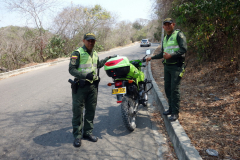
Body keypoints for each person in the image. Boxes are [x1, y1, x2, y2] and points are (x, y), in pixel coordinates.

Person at [69, 32, 111, 147]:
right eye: (88, 40)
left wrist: (107, 59)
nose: (90, 42)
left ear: (95, 42)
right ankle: (77, 136)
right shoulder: (77, 53)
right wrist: (85, 76)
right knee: (78, 112)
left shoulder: (95, 53)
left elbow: (96, 65)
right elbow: (72, 69)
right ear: (83, 41)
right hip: (80, 87)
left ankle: (87, 133)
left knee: (90, 111)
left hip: (92, 87)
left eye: (92, 41)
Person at [146, 18, 187, 121]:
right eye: (166, 25)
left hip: (176, 66)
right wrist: (152, 57)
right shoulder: (165, 38)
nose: (168, 26)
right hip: (167, 67)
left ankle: (175, 112)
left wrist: (172, 55)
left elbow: (183, 49)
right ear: (163, 27)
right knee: (167, 89)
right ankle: (170, 108)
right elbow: (163, 54)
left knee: (174, 89)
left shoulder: (178, 35)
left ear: (173, 24)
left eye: (169, 24)